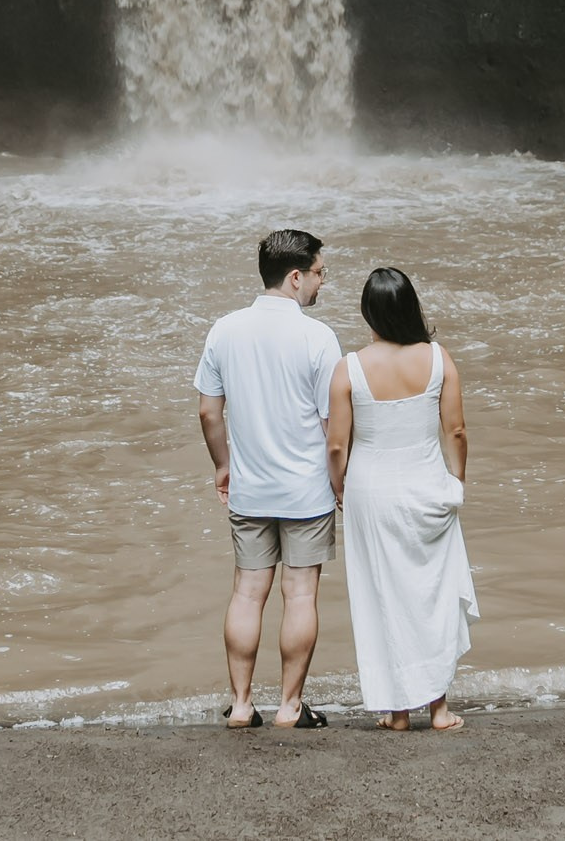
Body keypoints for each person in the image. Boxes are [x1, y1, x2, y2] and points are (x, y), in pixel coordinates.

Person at [194, 227, 343, 729]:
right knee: (299, 596)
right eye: (320, 273)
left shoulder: (224, 330)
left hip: (250, 488)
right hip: (307, 491)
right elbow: (330, 424)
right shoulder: (318, 337)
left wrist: (223, 465)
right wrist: (339, 481)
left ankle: (240, 705)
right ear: (296, 277)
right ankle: (289, 706)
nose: (322, 282)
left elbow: (209, 412)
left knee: (246, 594)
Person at [327, 265, 478, 731]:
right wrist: (456, 482)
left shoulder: (349, 368)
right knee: (430, 594)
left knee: (383, 597)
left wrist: (339, 486)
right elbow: (456, 430)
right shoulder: (437, 358)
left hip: (371, 491)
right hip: (427, 484)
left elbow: (336, 445)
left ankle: (397, 713)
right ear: (410, 306)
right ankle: (439, 709)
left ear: (368, 313)